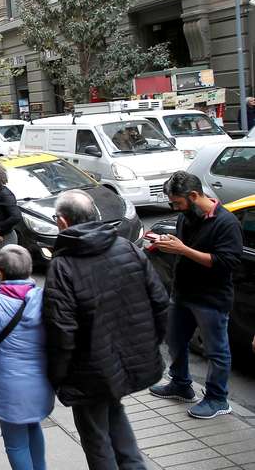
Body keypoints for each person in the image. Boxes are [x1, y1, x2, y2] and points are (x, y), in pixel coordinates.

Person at [43, 190, 169, 470]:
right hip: (122, 362)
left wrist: (57, 378)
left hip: (89, 371)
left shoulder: (63, 266)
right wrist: (148, 346)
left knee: (96, 436)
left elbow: (62, 332)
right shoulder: (127, 248)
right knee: (113, 411)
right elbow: (160, 303)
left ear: (63, 223)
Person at [150, 171, 243, 419]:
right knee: (175, 340)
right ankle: (180, 384)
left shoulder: (226, 223)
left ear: (193, 195)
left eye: (178, 203)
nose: (175, 208)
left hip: (211, 298)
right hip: (183, 293)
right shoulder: (187, 216)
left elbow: (226, 262)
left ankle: (217, 399)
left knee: (216, 351)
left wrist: (183, 249)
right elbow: (184, 247)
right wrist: (168, 243)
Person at [0, 245, 54, 470]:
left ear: (0, 271)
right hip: (42, 381)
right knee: (33, 426)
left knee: (15, 444)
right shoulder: (46, 299)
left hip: (8, 386)